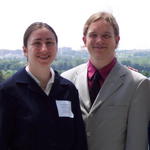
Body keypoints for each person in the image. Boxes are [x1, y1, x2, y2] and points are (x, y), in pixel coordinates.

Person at [61, 11, 150, 150]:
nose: (99, 41)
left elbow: (137, 143)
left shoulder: (137, 84)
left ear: (117, 40)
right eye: (93, 35)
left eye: (106, 36)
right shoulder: (66, 80)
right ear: (84, 40)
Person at [0, 22, 87, 150]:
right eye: (37, 43)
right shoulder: (8, 91)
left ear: (56, 48)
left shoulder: (68, 90)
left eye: (49, 42)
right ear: (25, 50)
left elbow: (79, 141)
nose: (44, 49)